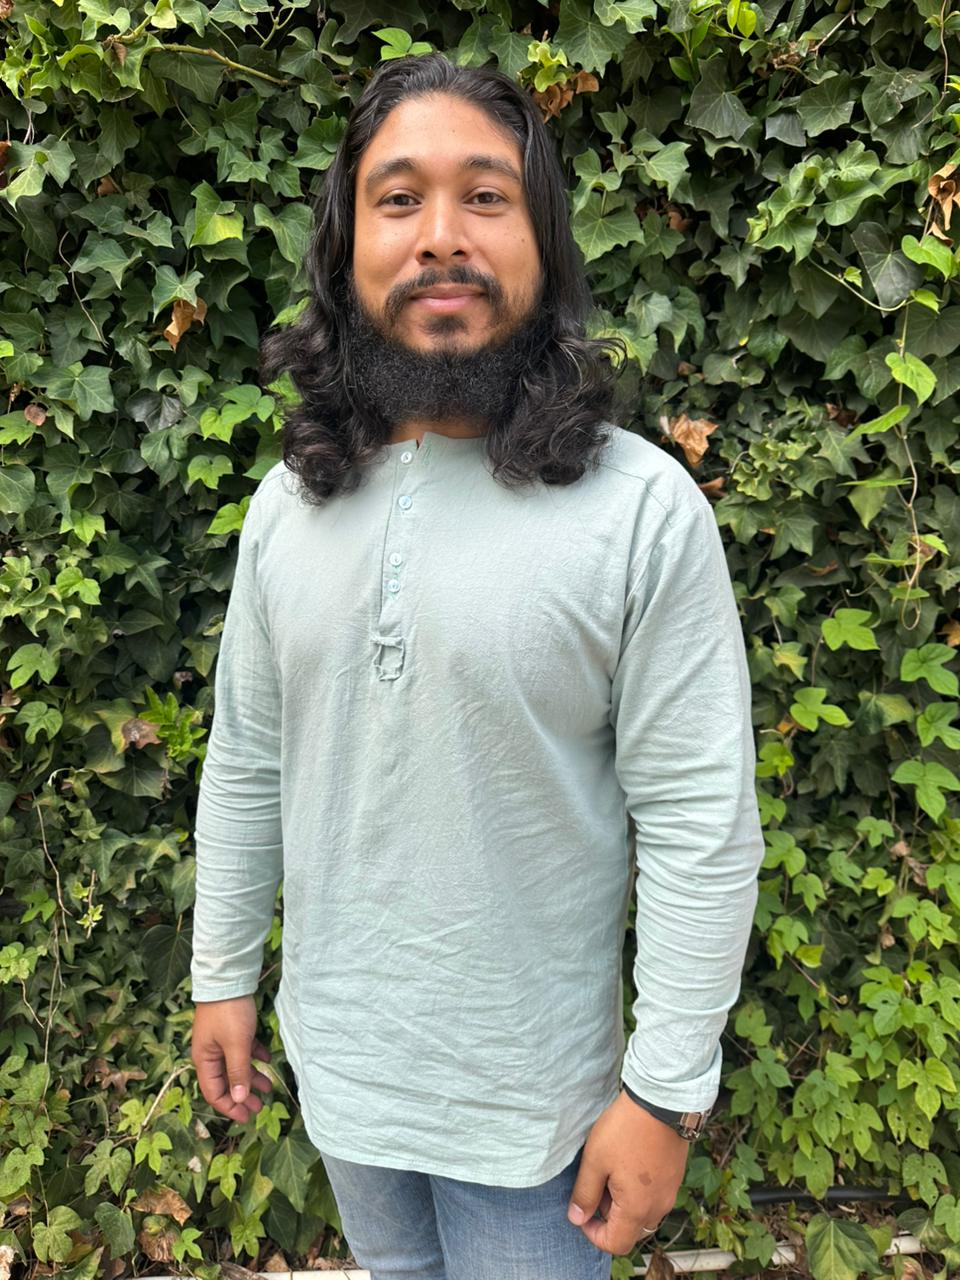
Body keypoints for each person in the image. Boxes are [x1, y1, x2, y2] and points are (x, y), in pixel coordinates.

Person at [189, 52, 765, 1280]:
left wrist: (664, 1092)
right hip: (345, 1081)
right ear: (348, 245)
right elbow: (247, 759)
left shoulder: (640, 510)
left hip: (538, 1120)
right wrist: (222, 972)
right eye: (399, 198)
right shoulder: (289, 506)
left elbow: (699, 821)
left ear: (543, 240)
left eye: (486, 196)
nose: (441, 235)